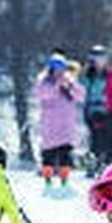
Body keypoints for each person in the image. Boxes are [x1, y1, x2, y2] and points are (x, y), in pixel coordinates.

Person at [34, 53, 85, 194]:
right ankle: (48, 184)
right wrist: (57, 85)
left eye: (61, 68)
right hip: (49, 127)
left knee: (65, 157)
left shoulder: (69, 80)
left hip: (66, 127)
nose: (58, 71)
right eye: (55, 68)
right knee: (48, 157)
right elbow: (42, 94)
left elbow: (81, 95)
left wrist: (69, 86)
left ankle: (65, 183)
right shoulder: (43, 81)